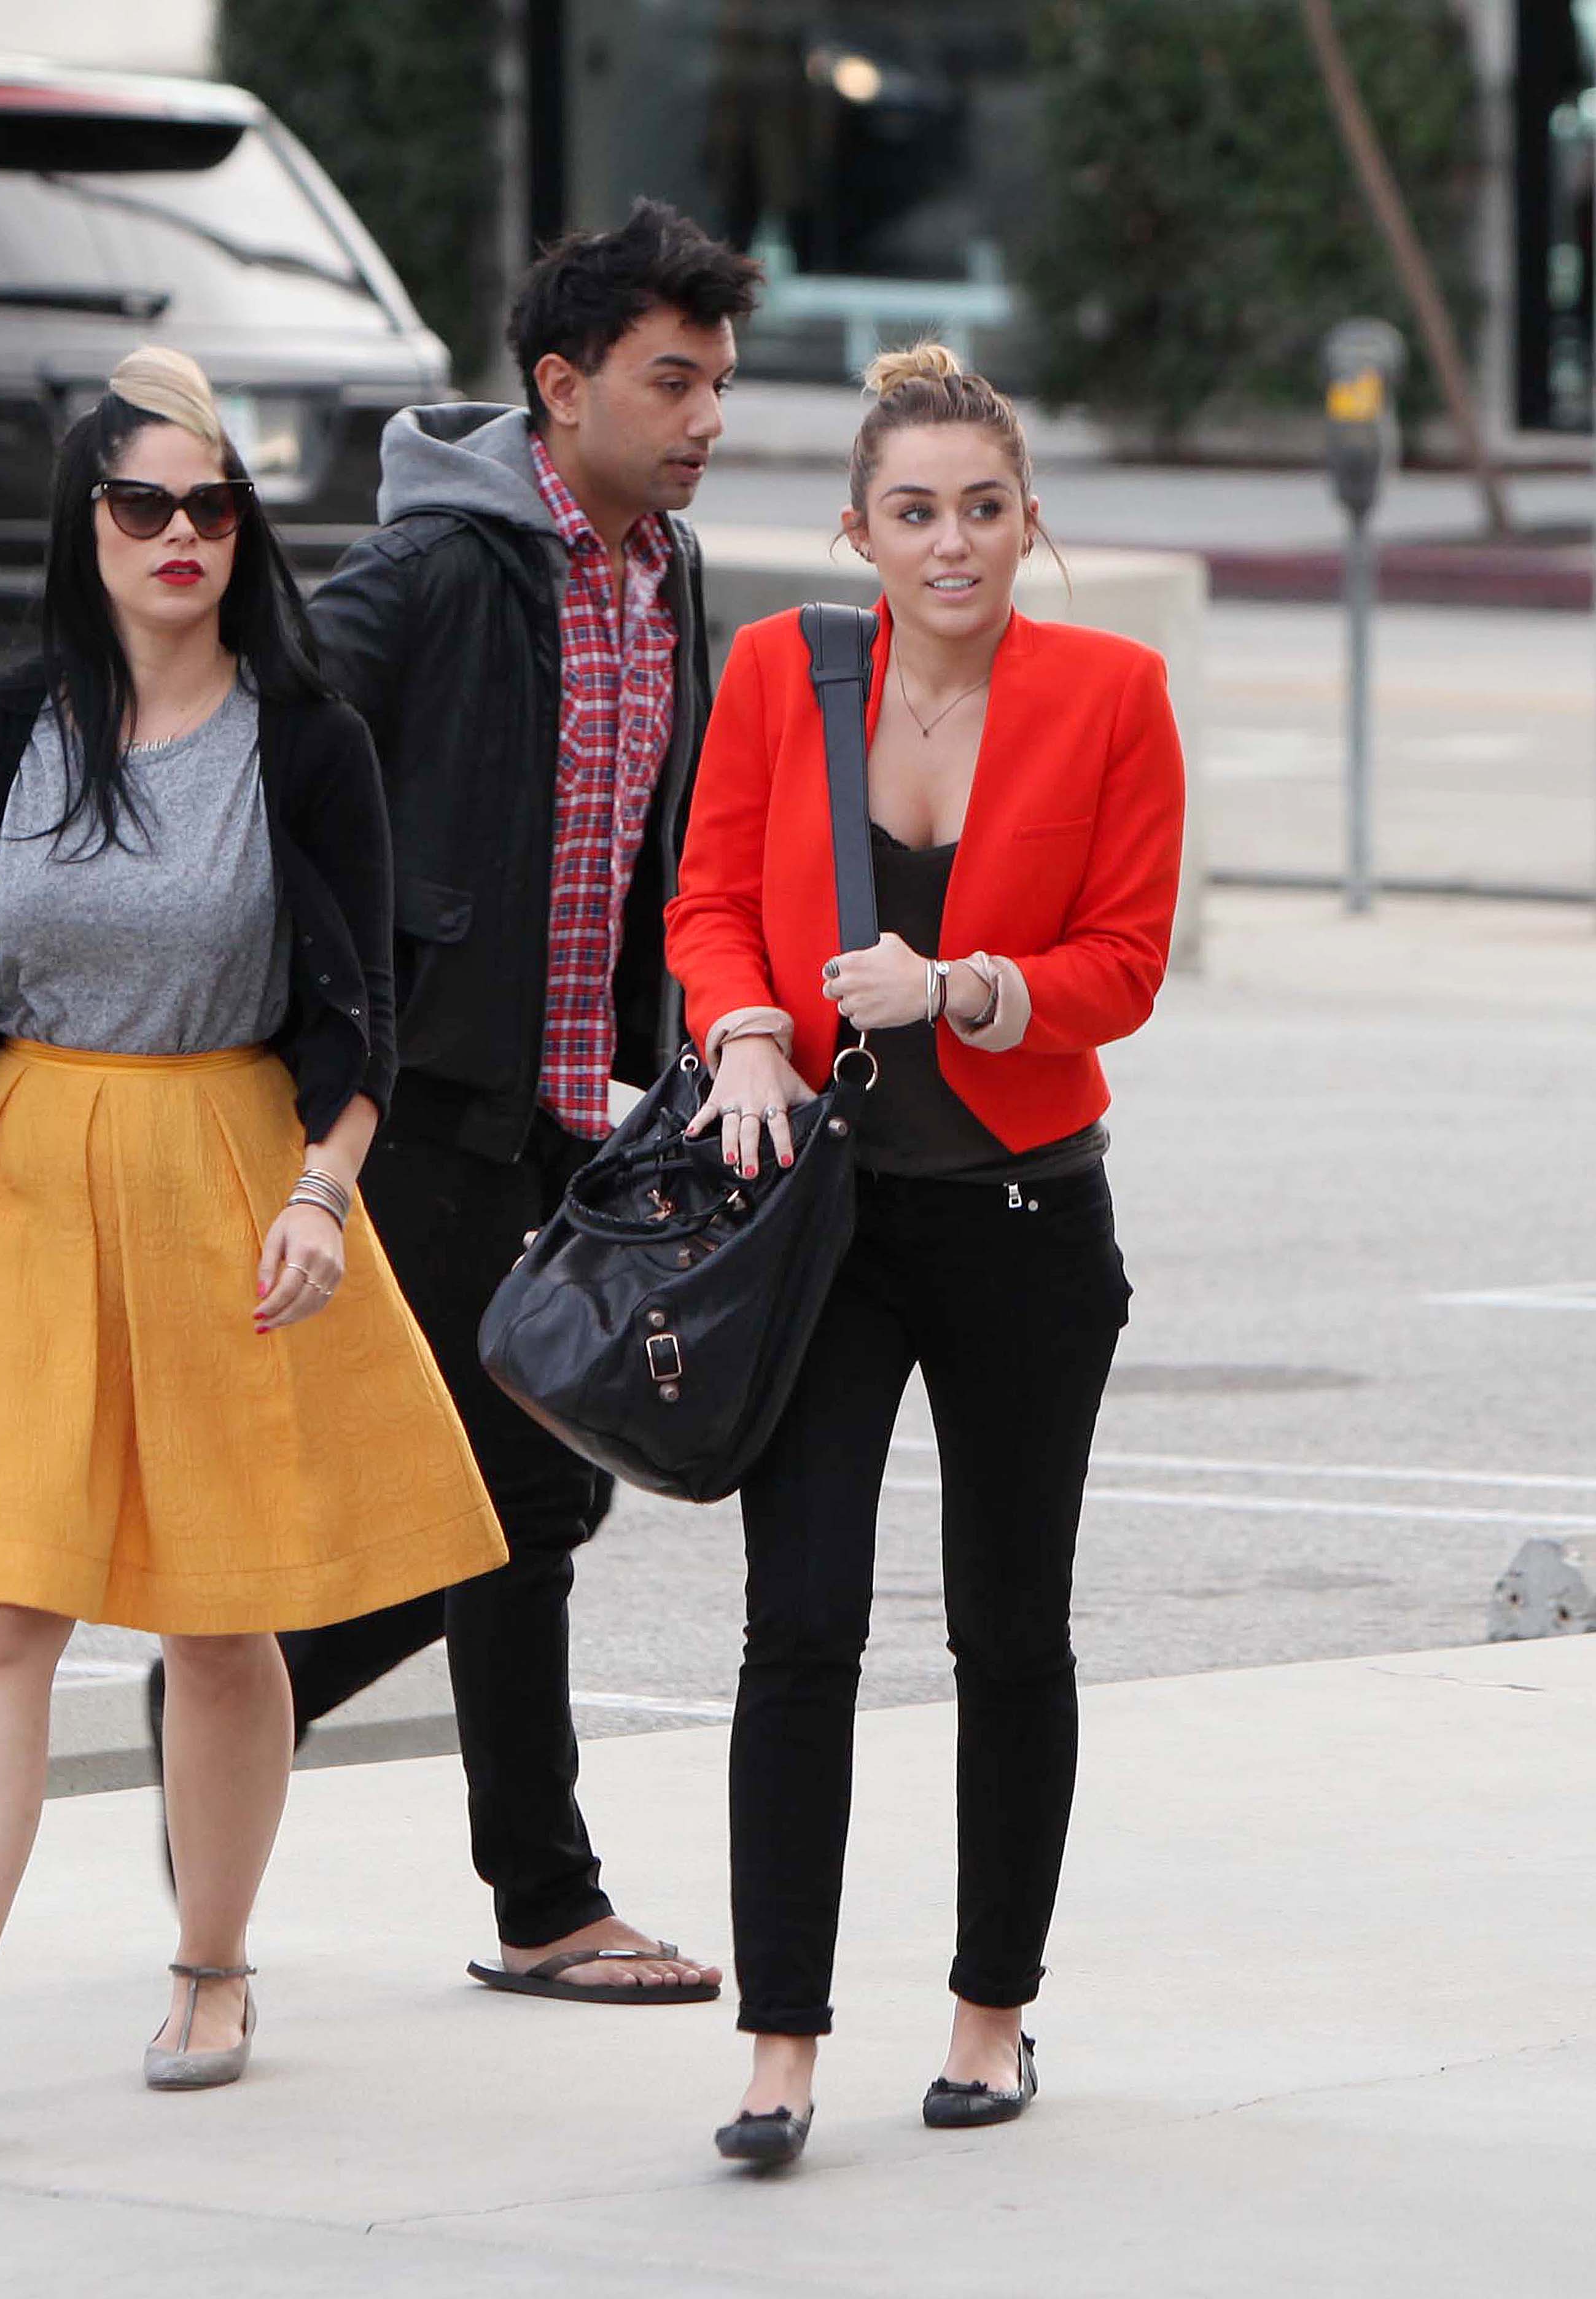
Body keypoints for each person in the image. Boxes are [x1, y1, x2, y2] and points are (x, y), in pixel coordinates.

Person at [0, 346, 504, 2130]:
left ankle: (213, 1959)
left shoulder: (308, 741)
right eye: (144, 504)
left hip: (228, 1166)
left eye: (213, 506)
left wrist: (322, 1192)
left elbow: (362, 1020)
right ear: (88, 524)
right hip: (27, 1177)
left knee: (219, 1615)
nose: (181, 534)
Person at [663, 343, 1185, 2162]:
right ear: (859, 531)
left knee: (1009, 1628)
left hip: (1026, 1219)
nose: (950, 543)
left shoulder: (1113, 693)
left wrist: (963, 988)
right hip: (822, 1226)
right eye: (915, 513)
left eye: (981, 509)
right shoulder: (781, 673)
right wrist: (742, 1034)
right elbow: (708, 903)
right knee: (798, 1626)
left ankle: (990, 2018)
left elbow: (1126, 962)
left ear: (1029, 523)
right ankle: (779, 2049)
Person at [243, 200, 766, 2004]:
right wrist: (355, 999)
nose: (707, 419)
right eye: (671, 382)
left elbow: (650, 840)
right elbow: (263, 756)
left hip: (567, 1119)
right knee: (518, 1506)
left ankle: (237, 1702)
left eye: (718, 383)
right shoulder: (438, 571)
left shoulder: (660, 569)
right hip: (424, 1113)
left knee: (515, 1502)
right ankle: (538, 1897)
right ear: (561, 385)